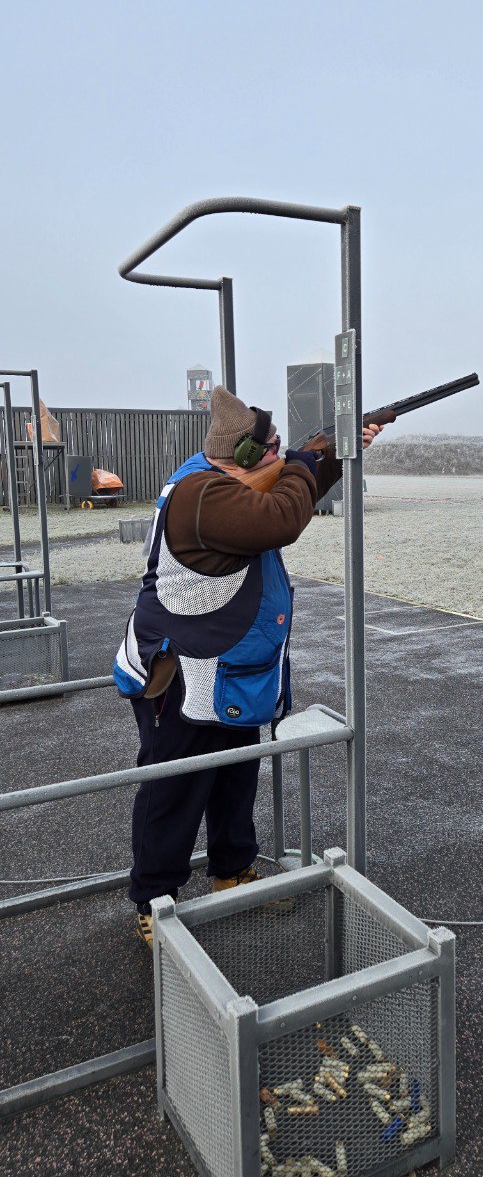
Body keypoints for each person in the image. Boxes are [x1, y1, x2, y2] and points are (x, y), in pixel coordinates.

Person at [114, 385, 383, 946]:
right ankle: (154, 900)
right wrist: (307, 463)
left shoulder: (223, 480)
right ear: (241, 455)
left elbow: (287, 498)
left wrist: (334, 455)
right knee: (175, 791)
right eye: (272, 448)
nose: (280, 456)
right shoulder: (202, 496)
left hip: (230, 669)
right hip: (181, 673)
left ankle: (231, 872)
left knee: (236, 776)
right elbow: (279, 518)